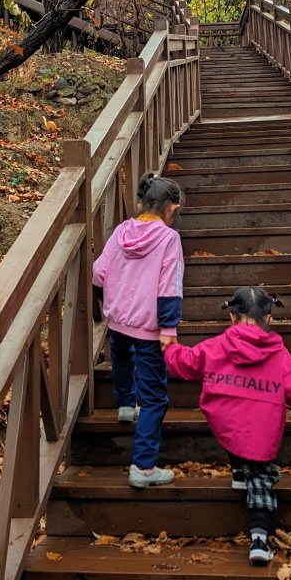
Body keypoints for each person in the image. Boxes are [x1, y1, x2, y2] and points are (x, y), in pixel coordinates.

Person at [164, 286, 291, 564]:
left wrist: (168, 350)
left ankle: (239, 472)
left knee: (234, 430)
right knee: (262, 479)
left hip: (227, 423)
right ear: (269, 317)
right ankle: (259, 538)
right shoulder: (280, 356)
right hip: (262, 432)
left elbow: (187, 362)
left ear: (232, 316)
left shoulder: (216, 346)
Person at [92, 172, 185, 488]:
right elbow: (168, 286)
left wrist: (108, 299)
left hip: (119, 320)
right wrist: (169, 326)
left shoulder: (120, 232)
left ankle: (124, 405)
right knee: (156, 397)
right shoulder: (169, 239)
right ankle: (143, 467)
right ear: (170, 209)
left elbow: (98, 272)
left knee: (120, 358)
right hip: (150, 328)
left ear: (140, 203)